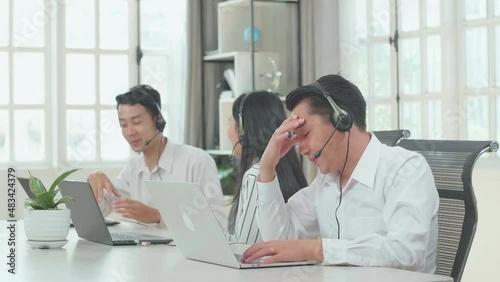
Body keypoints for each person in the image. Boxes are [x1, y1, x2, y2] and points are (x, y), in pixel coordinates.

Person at [240, 74, 439, 273]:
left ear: (341, 120)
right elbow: (279, 240)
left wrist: (318, 249)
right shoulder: (326, 181)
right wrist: (267, 168)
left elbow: (406, 253)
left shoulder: (406, 169)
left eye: (306, 135)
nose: (302, 150)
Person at [87, 85, 226, 229]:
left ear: (158, 120)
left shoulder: (196, 161)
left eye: (137, 122)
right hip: (145, 251)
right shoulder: (133, 168)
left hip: (188, 252)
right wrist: (93, 185)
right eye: (123, 125)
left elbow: (218, 223)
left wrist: (158, 216)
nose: (130, 132)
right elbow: (100, 209)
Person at [226, 91, 307, 244]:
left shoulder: (255, 175)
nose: (228, 132)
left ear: (243, 131)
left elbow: (244, 247)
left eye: (229, 122)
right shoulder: (288, 170)